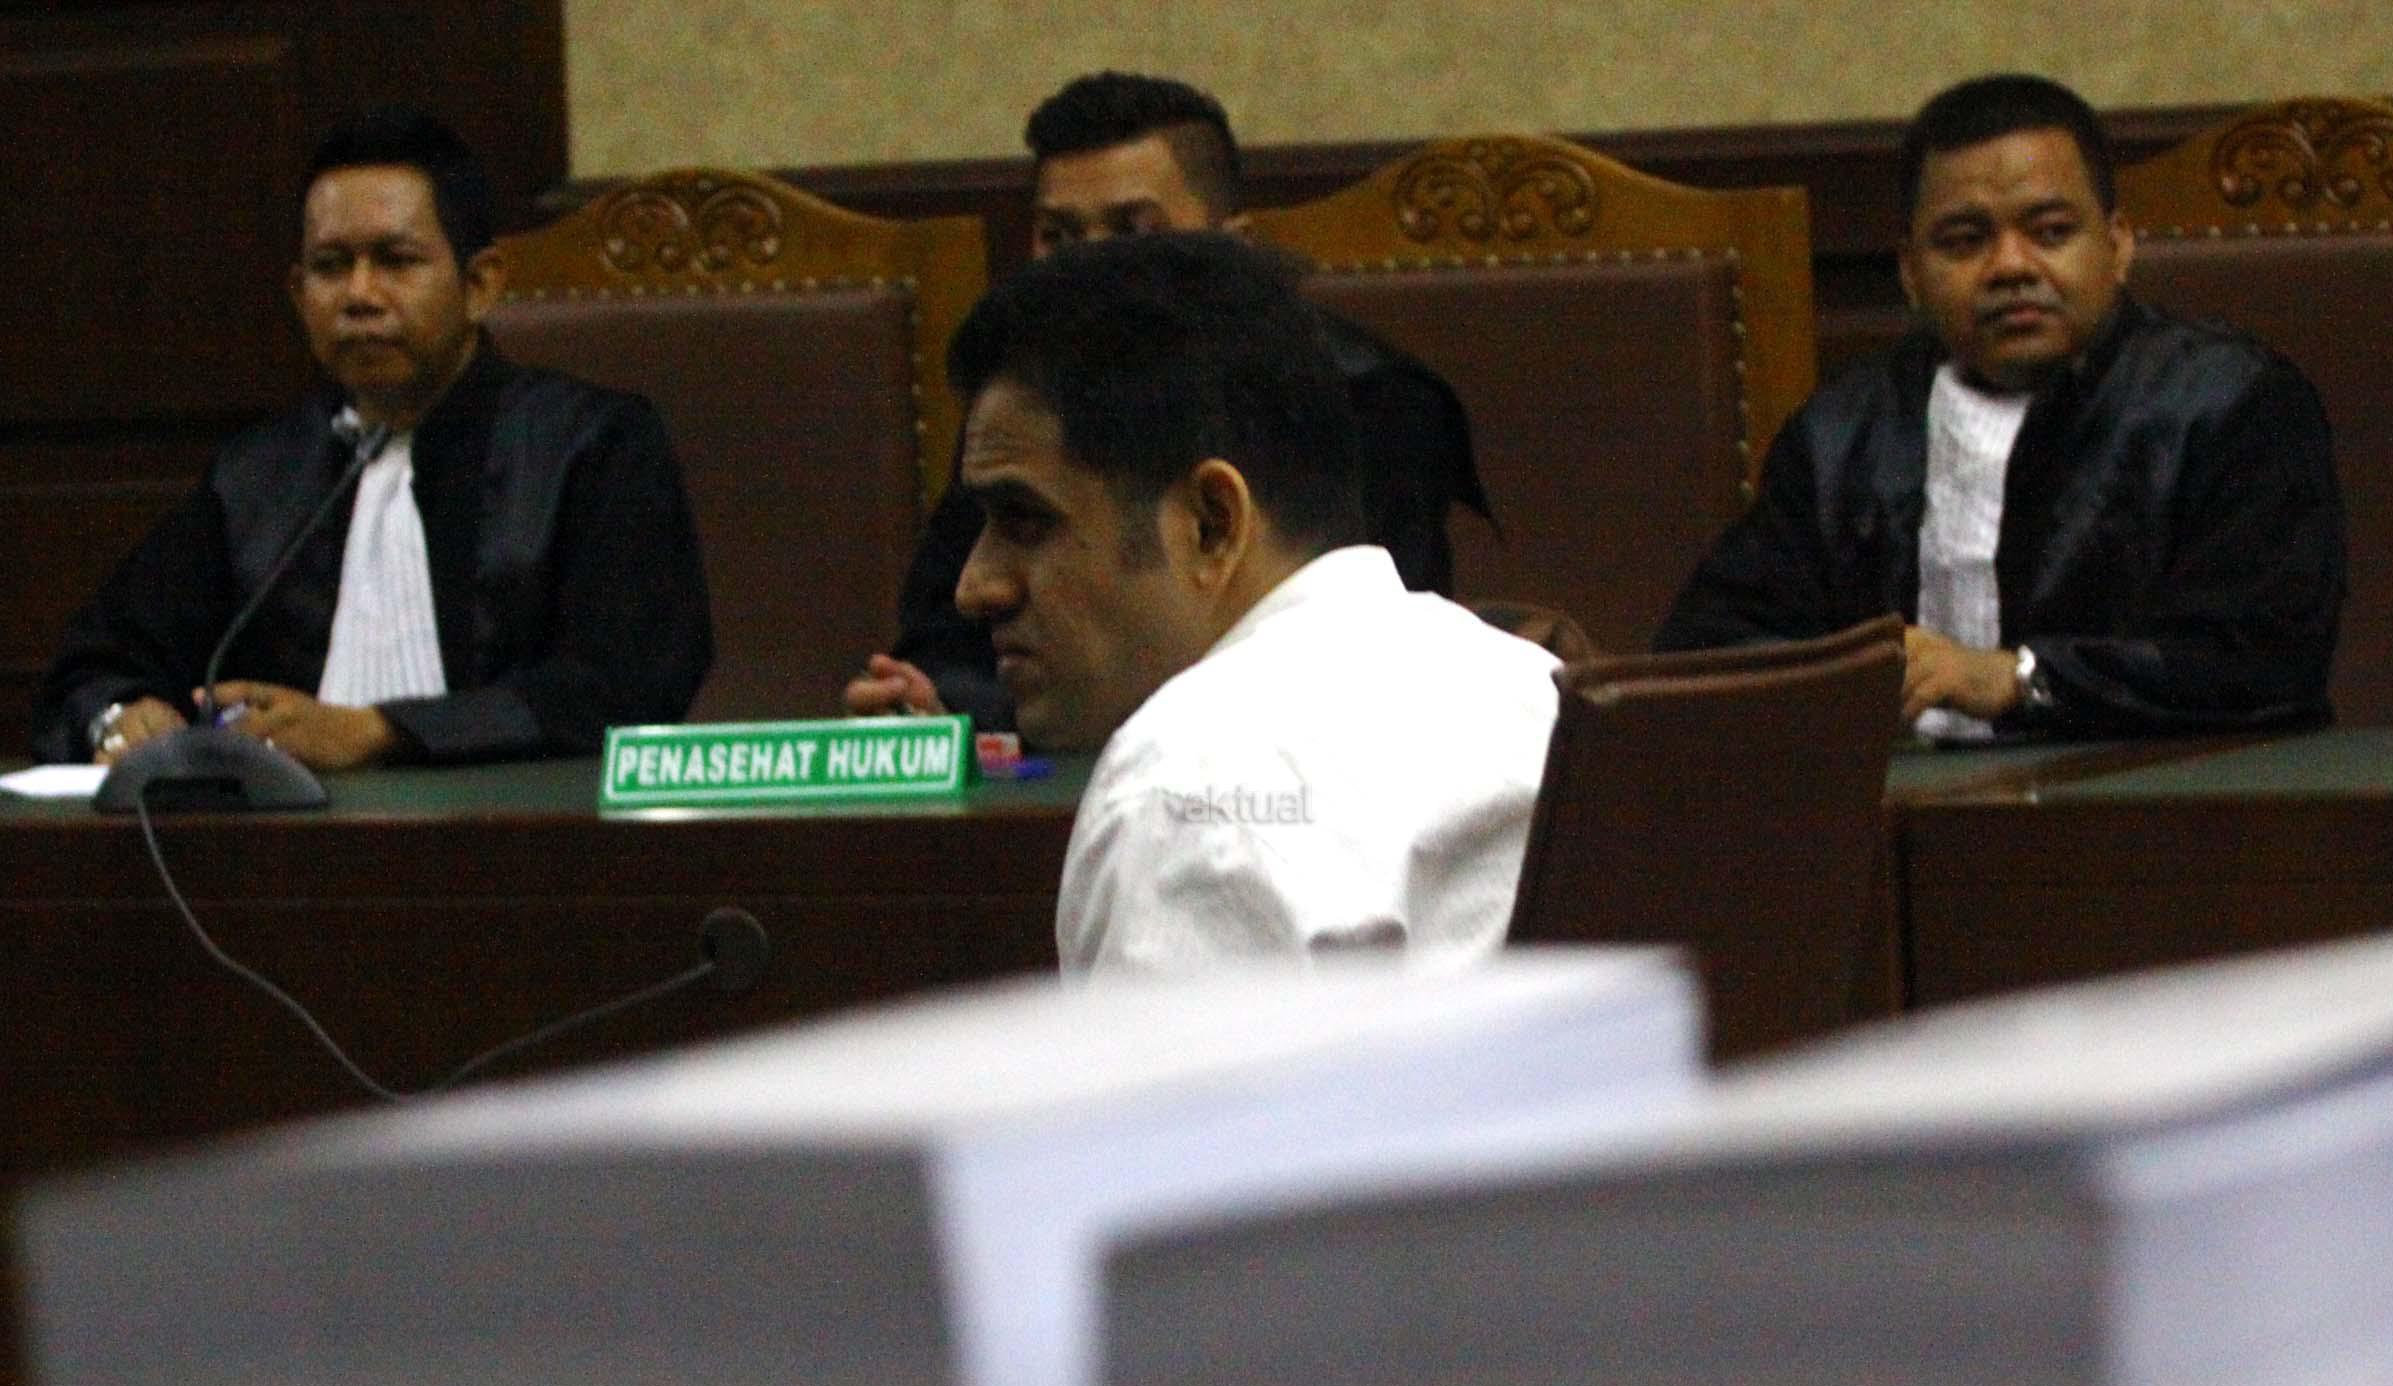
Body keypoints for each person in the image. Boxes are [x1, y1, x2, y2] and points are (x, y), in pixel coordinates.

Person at [1655, 73, 2345, 739]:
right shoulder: (1842, 433)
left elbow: (2263, 663)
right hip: (1895, 802)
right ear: (1909, 272)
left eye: (2051, 232)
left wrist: (2017, 679)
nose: (2011, 266)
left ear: (2118, 245)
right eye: (1965, 241)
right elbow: (1709, 648)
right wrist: (1845, 683)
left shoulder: (2232, 405)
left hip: (2158, 799)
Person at [943, 232, 1559, 972]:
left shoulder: (1186, 783)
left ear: (1211, 524)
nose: (975, 587)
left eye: (1025, 521)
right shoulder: (1539, 694)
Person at [32, 106, 711, 768]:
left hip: (523, 827)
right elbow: (95, 663)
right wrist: (121, 714)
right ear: (299, 295)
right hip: (289, 835)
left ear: (480, 284)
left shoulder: (593, 447)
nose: (359, 294)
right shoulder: (259, 475)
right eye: (330, 266)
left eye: (396, 260)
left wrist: (380, 733)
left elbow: (626, 682)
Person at [846, 71, 1488, 738]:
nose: (1089, 268)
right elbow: (944, 642)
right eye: (1059, 237)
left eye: (1132, 230)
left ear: (1232, 244)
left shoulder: (1370, 403)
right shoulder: (1021, 412)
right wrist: (933, 706)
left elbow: (1368, 659)